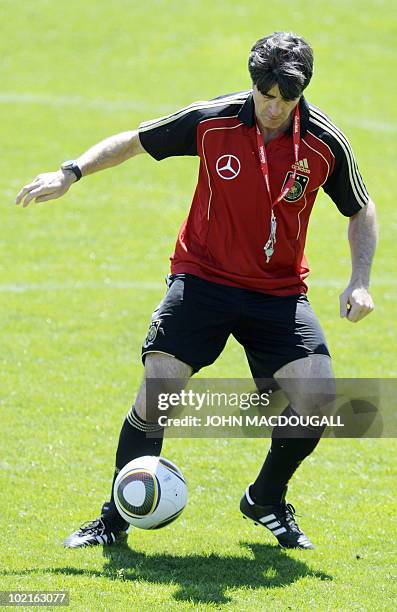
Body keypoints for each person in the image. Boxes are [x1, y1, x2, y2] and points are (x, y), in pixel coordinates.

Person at [16, 32, 377, 550]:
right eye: (265, 95)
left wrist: (359, 281)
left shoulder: (324, 143)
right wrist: (70, 172)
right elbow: (135, 141)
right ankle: (114, 521)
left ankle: (266, 499)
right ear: (253, 85)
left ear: (302, 94)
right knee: (159, 387)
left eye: (286, 99)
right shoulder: (212, 120)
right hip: (202, 278)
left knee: (316, 398)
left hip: (277, 293)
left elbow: (360, 207)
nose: (273, 109)